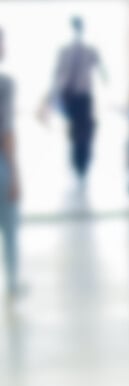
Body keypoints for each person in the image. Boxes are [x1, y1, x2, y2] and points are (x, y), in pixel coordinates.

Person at [48, 16, 106, 185]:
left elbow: (102, 70)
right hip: (71, 97)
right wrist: (54, 97)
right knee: (75, 132)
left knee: (86, 132)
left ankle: (83, 164)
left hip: (85, 97)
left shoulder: (90, 50)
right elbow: (57, 75)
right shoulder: (64, 51)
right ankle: (77, 164)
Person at [0, 25, 21, 299]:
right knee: (9, 224)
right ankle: (12, 281)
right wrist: (16, 173)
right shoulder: (4, 85)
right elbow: (6, 133)